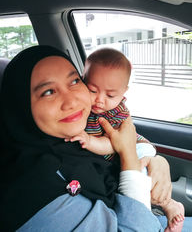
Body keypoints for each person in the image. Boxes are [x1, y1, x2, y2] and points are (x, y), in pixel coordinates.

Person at [0, 45, 191, 232]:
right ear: (21, 106)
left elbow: (128, 136)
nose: (72, 101)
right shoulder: (33, 190)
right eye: (49, 92)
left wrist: (156, 160)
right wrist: (129, 155)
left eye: (74, 81)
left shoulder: (66, 135)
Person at [66, 48, 185, 231]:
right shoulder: (81, 108)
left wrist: (89, 141)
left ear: (124, 92)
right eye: (92, 90)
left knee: (142, 175)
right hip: (120, 151)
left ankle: (167, 205)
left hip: (135, 146)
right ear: (83, 80)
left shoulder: (116, 113)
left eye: (110, 95)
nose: (99, 100)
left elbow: (115, 143)